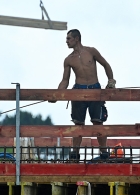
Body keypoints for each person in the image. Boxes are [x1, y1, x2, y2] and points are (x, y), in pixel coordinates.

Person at [50, 29, 116, 160]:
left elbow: (105, 64)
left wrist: (111, 81)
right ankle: (75, 154)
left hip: (95, 89)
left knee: (98, 122)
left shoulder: (91, 51)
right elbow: (65, 80)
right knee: (78, 124)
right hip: (78, 91)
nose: (66, 41)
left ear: (77, 39)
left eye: (69, 38)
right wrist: (57, 95)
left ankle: (104, 153)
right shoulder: (68, 60)